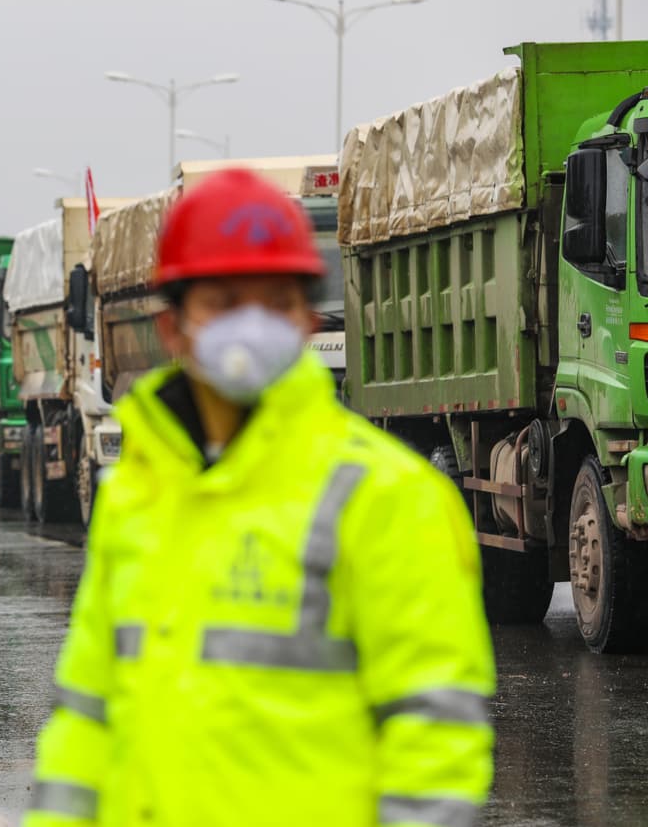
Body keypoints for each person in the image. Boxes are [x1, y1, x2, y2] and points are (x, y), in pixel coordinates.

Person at [24, 169, 495, 826]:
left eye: (276, 301)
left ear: (307, 319)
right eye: (226, 300)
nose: (252, 324)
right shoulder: (138, 491)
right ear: (172, 328)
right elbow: (86, 715)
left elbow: (436, 742)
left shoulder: (386, 495)